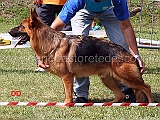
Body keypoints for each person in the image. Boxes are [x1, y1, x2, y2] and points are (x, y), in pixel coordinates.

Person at [38, 0, 145, 103]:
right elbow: (56, 26)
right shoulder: (76, 1)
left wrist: (136, 55)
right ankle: (81, 95)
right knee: (78, 51)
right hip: (83, 11)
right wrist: (43, 56)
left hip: (110, 10)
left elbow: (126, 27)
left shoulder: (118, 1)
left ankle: (127, 89)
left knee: (120, 44)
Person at [33, 0, 72, 72]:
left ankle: (67, 63)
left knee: (67, 36)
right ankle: (43, 64)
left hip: (68, 3)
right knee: (41, 34)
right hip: (45, 3)